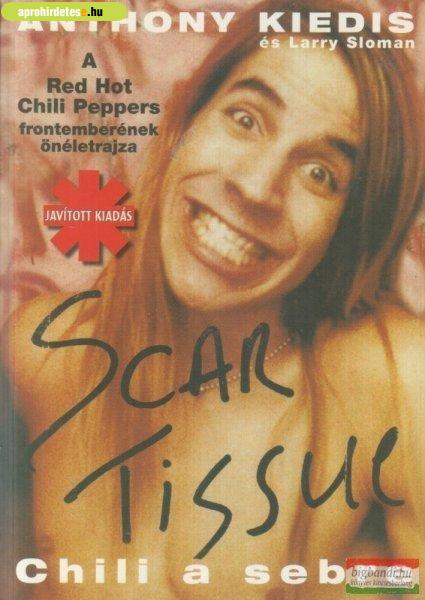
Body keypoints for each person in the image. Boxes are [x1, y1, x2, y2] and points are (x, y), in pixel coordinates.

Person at [5, 0, 424, 598]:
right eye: (245, 119)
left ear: (346, 228)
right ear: (185, 124)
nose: (255, 187)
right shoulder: (40, 352)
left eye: (320, 174)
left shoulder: (396, 378)